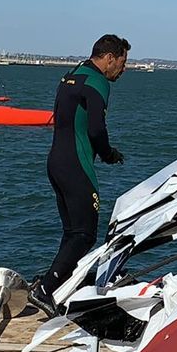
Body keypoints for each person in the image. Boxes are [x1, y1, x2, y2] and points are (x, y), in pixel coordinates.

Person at [29, 34, 128, 316]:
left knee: (72, 232)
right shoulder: (97, 82)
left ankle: (55, 286)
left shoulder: (73, 75)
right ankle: (46, 289)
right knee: (84, 234)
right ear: (109, 58)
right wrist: (109, 154)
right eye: (122, 62)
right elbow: (96, 130)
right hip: (76, 165)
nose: (124, 69)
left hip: (56, 162)